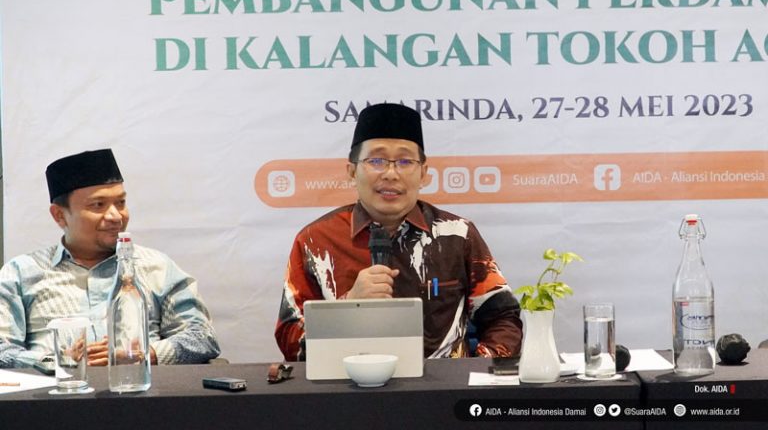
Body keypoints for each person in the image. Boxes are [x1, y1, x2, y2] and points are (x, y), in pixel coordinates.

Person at [275, 103, 522, 361]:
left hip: (442, 383)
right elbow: (289, 338)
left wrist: (472, 371)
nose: (391, 174)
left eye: (405, 161)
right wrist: (348, 307)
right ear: (352, 171)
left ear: (423, 174)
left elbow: (504, 318)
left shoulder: (457, 235)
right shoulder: (315, 241)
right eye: (376, 161)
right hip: (345, 382)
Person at [0, 149, 220, 368]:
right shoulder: (21, 273)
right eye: (98, 205)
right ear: (59, 215)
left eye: (121, 203)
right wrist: (57, 360)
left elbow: (202, 337)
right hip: (57, 388)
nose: (116, 216)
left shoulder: (156, 267)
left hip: (140, 387)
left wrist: (143, 354)